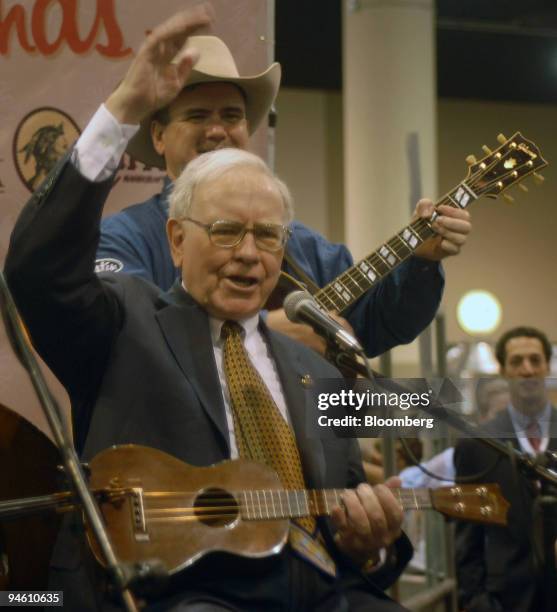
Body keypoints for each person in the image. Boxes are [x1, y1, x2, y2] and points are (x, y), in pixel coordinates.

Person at [4, 9, 419, 611]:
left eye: (267, 237)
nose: (249, 256)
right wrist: (121, 108)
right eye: (225, 231)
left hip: (323, 589)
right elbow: (38, 273)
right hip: (184, 590)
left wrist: (373, 544)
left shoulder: (322, 373)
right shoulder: (126, 324)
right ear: (177, 240)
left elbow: (353, 523)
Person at [88, 7, 472, 358]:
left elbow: (379, 324)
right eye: (198, 115)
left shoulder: (304, 246)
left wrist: (421, 263)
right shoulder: (124, 238)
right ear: (159, 136)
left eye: (232, 116)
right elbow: (130, 333)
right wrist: (262, 334)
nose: (218, 130)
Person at [454, 326, 557, 612]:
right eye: (517, 361)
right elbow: (467, 536)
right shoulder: (478, 444)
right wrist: (475, 601)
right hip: (506, 599)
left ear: (547, 366)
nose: (527, 369)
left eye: (535, 360)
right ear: (503, 370)